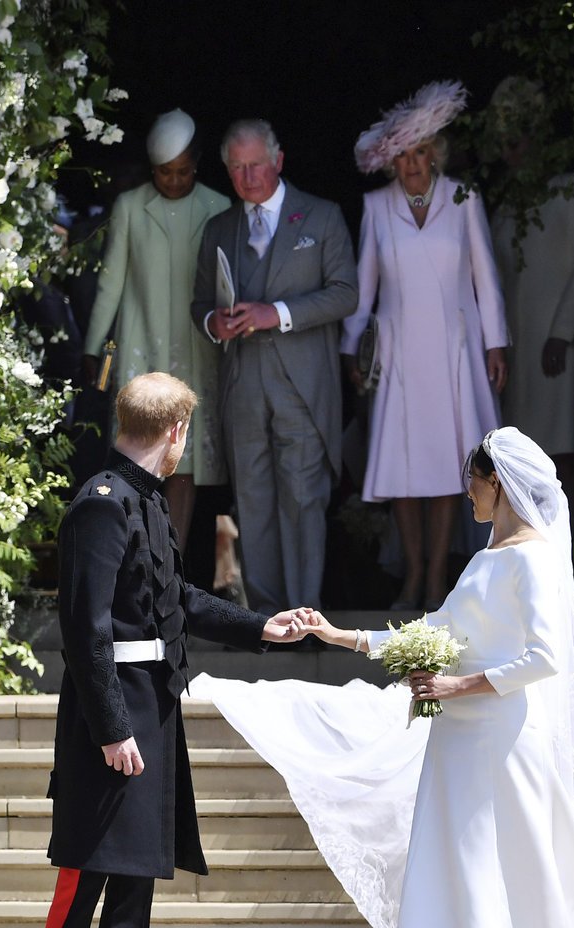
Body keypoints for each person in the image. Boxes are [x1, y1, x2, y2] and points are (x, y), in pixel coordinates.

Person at [197, 427, 574, 928]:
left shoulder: (531, 558)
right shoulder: (487, 559)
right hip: (457, 748)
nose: (467, 489)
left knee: (506, 881)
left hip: (502, 746)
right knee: (455, 885)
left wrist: (457, 686)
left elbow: (544, 658)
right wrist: (335, 633)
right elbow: (433, 637)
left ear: (498, 482)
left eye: (473, 479)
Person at [29, 371, 308, 928]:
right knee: (81, 889)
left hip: (150, 711)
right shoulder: (101, 504)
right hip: (109, 718)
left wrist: (258, 627)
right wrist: (112, 728)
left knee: (133, 892)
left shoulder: (144, 503)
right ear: (176, 432)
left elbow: (173, 599)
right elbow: (85, 631)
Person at [341, 81, 508, 612]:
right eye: (403, 156)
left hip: (454, 351)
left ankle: (437, 576)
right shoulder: (375, 206)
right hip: (398, 354)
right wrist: (352, 349)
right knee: (404, 472)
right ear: (391, 162)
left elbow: (486, 278)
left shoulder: (464, 198)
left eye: (420, 153)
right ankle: (412, 574)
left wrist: (496, 344)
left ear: (434, 154)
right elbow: (364, 286)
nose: (412, 164)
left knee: (445, 470)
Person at [192, 118, 358, 615]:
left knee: (304, 498)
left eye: (256, 165)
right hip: (242, 383)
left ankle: (306, 616)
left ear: (279, 161)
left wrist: (277, 313)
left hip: (303, 385)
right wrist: (212, 323)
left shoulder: (322, 216)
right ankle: (267, 619)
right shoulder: (219, 227)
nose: (247, 177)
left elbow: (346, 294)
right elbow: (199, 302)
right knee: (254, 499)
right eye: (237, 168)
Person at [84, 109, 229, 558]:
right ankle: (134, 561)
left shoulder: (218, 206)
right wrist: (92, 346)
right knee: (136, 455)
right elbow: (111, 282)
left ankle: (174, 562)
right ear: (152, 169)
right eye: (165, 172)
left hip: (196, 347)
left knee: (185, 461)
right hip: (140, 344)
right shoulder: (130, 205)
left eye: (183, 171)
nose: (174, 180)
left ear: (197, 163)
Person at [487, 77, 574, 523]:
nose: (512, 153)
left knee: (564, 452)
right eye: (506, 144)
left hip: (559, 346)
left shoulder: (571, 189)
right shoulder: (507, 208)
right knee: (528, 460)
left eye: (519, 141)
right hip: (520, 351)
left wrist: (561, 334)